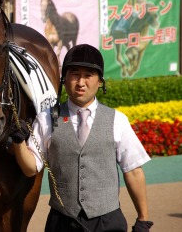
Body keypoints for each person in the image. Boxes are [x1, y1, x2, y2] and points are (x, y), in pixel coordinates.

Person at [10, 44, 154, 232]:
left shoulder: (117, 120)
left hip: (108, 222)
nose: (81, 82)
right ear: (64, 79)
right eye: (75, 74)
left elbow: (133, 171)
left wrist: (143, 219)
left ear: (100, 81)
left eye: (88, 75)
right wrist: (18, 142)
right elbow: (30, 169)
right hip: (62, 222)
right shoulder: (46, 118)